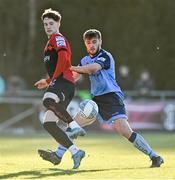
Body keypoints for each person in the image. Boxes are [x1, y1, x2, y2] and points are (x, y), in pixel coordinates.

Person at [38, 29, 164, 168]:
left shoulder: (105, 56)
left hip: (112, 98)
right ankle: (58, 155)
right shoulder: (84, 60)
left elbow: (93, 69)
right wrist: (50, 81)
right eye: (88, 42)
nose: (91, 45)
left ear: (100, 42)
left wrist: (71, 66)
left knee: (125, 131)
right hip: (96, 100)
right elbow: (73, 76)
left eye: (94, 42)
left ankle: (154, 156)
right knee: (74, 125)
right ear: (85, 44)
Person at [34, 8, 85, 169]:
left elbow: (63, 58)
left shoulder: (57, 38)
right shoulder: (50, 42)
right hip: (60, 82)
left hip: (64, 82)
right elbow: (59, 63)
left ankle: (74, 126)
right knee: (48, 124)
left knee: (48, 100)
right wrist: (49, 81)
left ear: (58, 24)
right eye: (45, 24)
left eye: (51, 23)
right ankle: (75, 152)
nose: (48, 26)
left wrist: (53, 80)